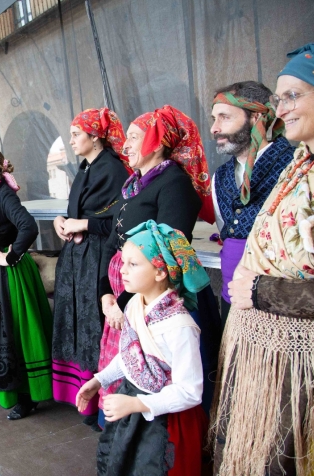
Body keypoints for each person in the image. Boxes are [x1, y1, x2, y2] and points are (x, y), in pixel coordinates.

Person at [212, 42, 314, 476]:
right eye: (277, 99)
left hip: (311, 365)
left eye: (292, 96)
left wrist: (262, 290)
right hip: (263, 358)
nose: (280, 108)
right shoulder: (299, 166)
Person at [97, 105, 220, 423]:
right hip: (127, 294)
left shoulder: (174, 186)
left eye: (135, 137)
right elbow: (114, 240)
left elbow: (164, 255)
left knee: (166, 380)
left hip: (156, 300)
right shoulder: (134, 185)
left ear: (159, 141)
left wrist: (124, 302)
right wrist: (105, 294)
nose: (125, 145)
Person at [76, 220, 209, 476]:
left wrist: (137, 405)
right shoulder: (136, 304)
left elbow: (190, 392)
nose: (122, 270)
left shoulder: (179, 326)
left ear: (160, 272)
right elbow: (131, 356)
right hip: (135, 406)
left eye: (133, 264)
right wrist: (99, 380)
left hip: (167, 421)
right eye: (123, 261)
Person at [50, 108, 131, 425]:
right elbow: (75, 209)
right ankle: (81, 394)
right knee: (78, 322)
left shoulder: (113, 170)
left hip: (97, 259)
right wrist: (61, 220)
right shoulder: (85, 167)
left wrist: (82, 222)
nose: (70, 141)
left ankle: (100, 402)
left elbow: (120, 220)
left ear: (95, 136)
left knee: (93, 324)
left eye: (75, 135)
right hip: (77, 260)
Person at [0, 148, 54, 420]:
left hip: (8, 273)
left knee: (12, 327)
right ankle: (3, 384)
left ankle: (27, 396)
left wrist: (11, 256)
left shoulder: (3, 195)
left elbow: (28, 226)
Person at [209, 81, 295, 324]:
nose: (214, 128)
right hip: (231, 299)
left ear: (256, 117)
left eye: (224, 117)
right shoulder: (221, 176)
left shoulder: (294, 166)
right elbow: (225, 229)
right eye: (214, 119)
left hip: (277, 306)